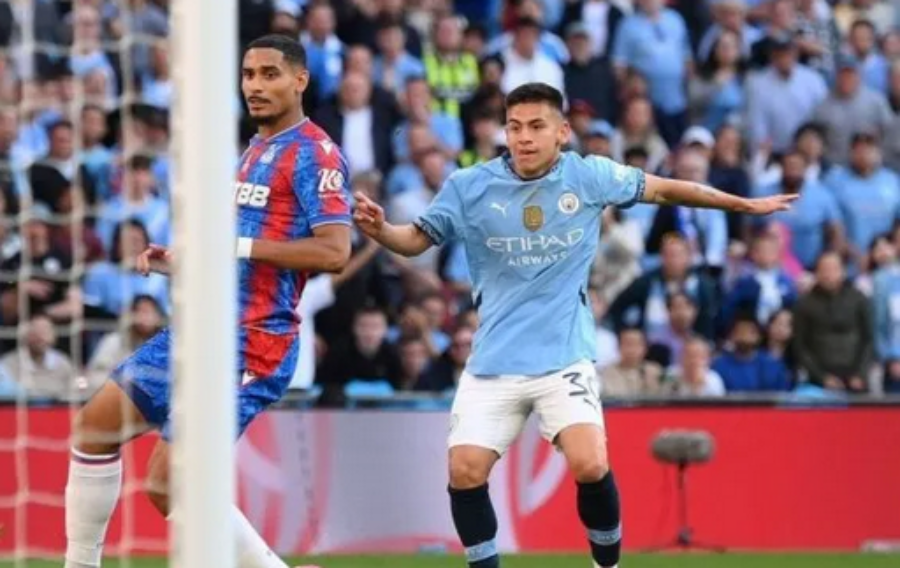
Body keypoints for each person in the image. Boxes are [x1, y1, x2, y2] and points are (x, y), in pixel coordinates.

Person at [353, 82, 793, 568]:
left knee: (590, 462)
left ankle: (607, 565)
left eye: (536, 126)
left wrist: (744, 205)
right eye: (514, 127)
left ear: (562, 132)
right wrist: (381, 231)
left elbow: (667, 188)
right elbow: (416, 240)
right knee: (464, 471)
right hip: (493, 361)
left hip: (563, 357)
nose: (523, 137)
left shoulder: (589, 177)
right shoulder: (469, 186)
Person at [62, 35, 352, 568]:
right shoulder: (254, 149)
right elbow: (240, 246)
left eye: (270, 74)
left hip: (255, 342)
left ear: (300, 80)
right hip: (202, 329)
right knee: (94, 428)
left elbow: (335, 251)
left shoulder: (315, 154)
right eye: (248, 74)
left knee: (169, 486)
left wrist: (234, 245)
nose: (256, 86)